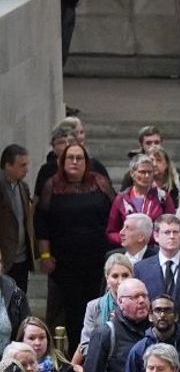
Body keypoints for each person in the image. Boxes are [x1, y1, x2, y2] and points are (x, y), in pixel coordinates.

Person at [32, 141, 114, 346]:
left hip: (97, 259)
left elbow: (115, 214)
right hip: (65, 263)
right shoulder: (52, 185)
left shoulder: (100, 183)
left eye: (79, 158)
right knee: (71, 314)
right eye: (70, 157)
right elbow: (41, 223)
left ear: (87, 162)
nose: (75, 162)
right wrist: (44, 255)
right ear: (62, 161)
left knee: (97, 308)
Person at [1, 147, 34, 293]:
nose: (26, 170)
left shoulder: (23, 187)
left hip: (22, 259)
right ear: (8, 165)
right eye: (22, 165)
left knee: (19, 302)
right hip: (4, 259)